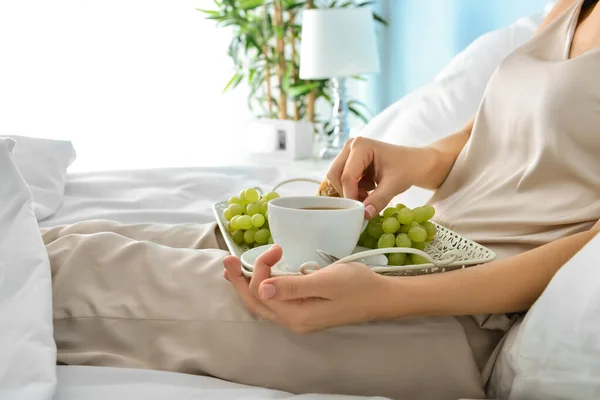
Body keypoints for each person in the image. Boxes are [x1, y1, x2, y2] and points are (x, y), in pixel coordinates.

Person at [46, 0, 600, 399]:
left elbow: (582, 250)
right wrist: (416, 159)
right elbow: (493, 128)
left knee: (76, 272)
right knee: (75, 240)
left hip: (455, 316)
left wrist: (386, 300)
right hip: (400, 251)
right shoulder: (570, 7)